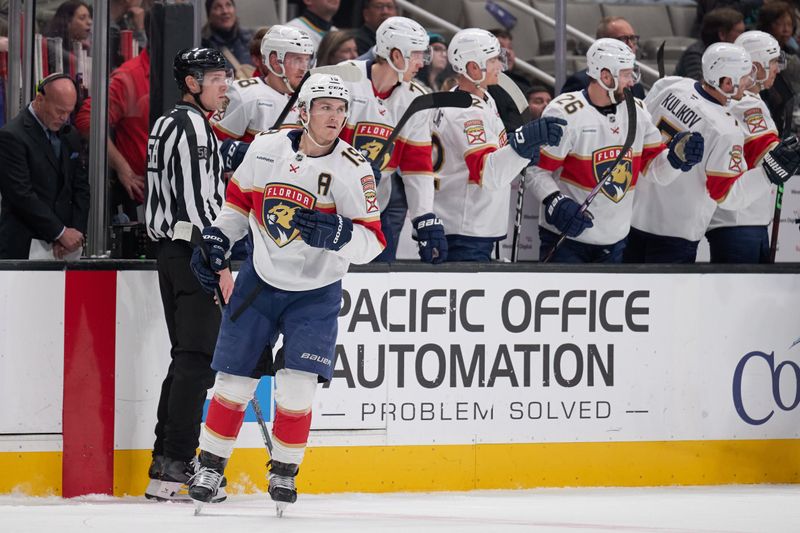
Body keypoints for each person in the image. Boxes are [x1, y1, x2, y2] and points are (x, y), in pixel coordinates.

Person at [186, 73, 384, 512]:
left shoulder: (354, 169)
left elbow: (372, 244)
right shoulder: (266, 148)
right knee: (233, 381)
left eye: (341, 109)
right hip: (259, 280)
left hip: (316, 293)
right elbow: (238, 203)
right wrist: (219, 237)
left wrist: (339, 233)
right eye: (325, 107)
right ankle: (209, 466)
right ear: (305, 111)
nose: (335, 117)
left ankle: (284, 471)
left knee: (297, 388)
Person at [143, 48, 231, 502]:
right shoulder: (193, 126)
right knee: (197, 361)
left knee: (186, 360)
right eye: (214, 77)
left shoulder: (168, 121)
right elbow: (201, 207)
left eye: (225, 76)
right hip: (195, 252)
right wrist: (221, 262)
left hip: (171, 254)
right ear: (191, 83)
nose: (224, 85)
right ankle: (177, 462)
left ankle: (166, 461)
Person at [529, 39, 704, 263]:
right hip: (566, 240)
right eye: (625, 74)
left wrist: (676, 159)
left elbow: (655, 172)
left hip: (615, 242)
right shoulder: (565, 112)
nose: (631, 81)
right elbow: (536, 170)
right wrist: (555, 201)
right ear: (605, 76)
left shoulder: (637, 111)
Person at [626, 43, 800, 263]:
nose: (749, 82)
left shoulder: (670, 85)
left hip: (633, 219)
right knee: (667, 298)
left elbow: (636, 132)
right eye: (745, 76)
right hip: (675, 232)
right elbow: (728, 196)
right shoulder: (725, 130)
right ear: (727, 83)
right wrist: (767, 173)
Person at [430, 29, 565, 262]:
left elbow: (494, 154)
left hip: (471, 225)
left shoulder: (480, 98)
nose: (499, 66)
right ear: (473, 68)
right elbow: (488, 174)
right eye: (492, 60)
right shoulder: (466, 113)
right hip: (464, 231)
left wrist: (519, 153)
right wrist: (521, 146)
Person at [340, 16, 446, 263]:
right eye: (417, 54)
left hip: (377, 206)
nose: (422, 62)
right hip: (331, 205)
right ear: (396, 55)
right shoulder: (344, 81)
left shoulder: (416, 97)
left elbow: (417, 165)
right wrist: (354, 171)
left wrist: (423, 216)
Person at [706, 31, 785, 263]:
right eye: (772, 62)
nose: (777, 69)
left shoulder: (743, 101)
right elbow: (772, 156)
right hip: (740, 222)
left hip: (741, 220)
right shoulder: (747, 105)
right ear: (755, 67)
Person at [0, 73, 89, 260]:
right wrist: (60, 232)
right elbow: (21, 195)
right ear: (40, 99)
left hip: (65, 249)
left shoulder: (69, 135)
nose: (64, 118)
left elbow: (81, 187)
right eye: (59, 111)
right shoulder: (12, 136)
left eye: (69, 112)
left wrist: (74, 234)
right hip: (24, 246)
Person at [75, 29, 150, 222]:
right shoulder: (129, 77)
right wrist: (122, 167)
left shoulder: (189, 75)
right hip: (142, 197)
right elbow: (87, 120)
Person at [211, 25, 315, 143]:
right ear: (274, 61)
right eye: (297, 59)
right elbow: (214, 144)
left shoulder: (311, 99)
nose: (304, 68)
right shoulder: (243, 95)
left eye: (307, 60)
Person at [559, 17, 646, 99]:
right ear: (603, 44)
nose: (630, 45)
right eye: (623, 39)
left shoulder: (636, 86)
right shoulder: (580, 82)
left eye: (633, 39)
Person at [674, 7, 745, 81]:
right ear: (722, 35)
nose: (743, 36)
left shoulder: (736, 54)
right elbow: (700, 86)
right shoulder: (695, 55)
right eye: (739, 32)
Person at [487, 28, 531, 132]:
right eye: (501, 47)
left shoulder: (524, 83)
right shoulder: (482, 85)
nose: (508, 53)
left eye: (510, 47)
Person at [201, 0, 254, 74]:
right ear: (209, 15)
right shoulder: (203, 46)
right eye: (218, 7)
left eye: (228, 5)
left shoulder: (251, 39)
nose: (225, 11)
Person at [44, 1, 93, 76]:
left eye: (89, 17)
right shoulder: (50, 47)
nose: (89, 22)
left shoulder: (85, 49)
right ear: (67, 22)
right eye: (82, 18)